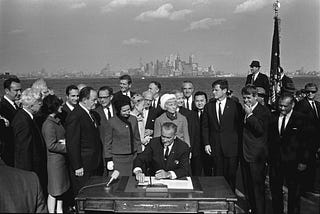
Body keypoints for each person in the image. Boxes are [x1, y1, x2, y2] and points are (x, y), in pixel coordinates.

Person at [268, 93, 308, 214]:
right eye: (280, 106)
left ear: (292, 105)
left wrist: (303, 161)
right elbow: (270, 139)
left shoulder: (301, 118)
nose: (282, 108)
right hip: (276, 162)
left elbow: (306, 142)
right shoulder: (273, 116)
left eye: (285, 106)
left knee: (294, 193)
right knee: (275, 191)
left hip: (294, 162)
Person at [201, 79, 241, 192]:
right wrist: (206, 143)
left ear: (224, 90)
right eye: (213, 90)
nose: (213, 92)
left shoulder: (235, 106)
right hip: (216, 147)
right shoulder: (209, 106)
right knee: (218, 178)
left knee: (231, 177)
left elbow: (239, 127)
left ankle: (231, 203)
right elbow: (205, 127)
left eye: (216, 90)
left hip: (231, 148)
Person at [65, 87, 103, 196]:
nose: (96, 102)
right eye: (94, 100)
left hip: (93, 163)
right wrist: (77, 166)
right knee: (84, 195)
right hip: (83, 166)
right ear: (85, 100)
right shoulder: (76, 116)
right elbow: (72, 143)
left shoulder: (89, 113)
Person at [12, 88, 47, 194]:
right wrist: (28, 177)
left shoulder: (27, 118)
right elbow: (23, 153)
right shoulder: (23, 121)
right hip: (30, 173)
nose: (41, 105)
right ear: (32, 105)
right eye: (40, 103)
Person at [240, 85, 269, 214]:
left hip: (256, 156)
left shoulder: (263, 111)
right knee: (249, 187)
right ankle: (252, 208)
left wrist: (250, 115)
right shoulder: (244, 110)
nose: (246, 101)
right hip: (245, 154)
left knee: (258, 189)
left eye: (248, 98)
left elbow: (260, 130)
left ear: (255, 97)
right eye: (244, 98)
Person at [41, 95, 70, 213]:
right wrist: (67, 147)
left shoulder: (54, 121)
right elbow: (51, 145)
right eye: (59, 104)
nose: (61, 106)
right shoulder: (49, 124)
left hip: (60, 161)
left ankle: (59, 210)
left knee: (60, 189)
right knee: (54, 191)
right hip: (55, 163)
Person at [104, 95, 142, 176]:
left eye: (128, 110)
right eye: (124, 111)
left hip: (133, 157)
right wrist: (108, 159)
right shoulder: (112, 122)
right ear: (118, 110)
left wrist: (139, 153)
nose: (127, 112)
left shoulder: (133, 119)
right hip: (118, 159)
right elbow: (107, 142)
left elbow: (137, 138)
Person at [294, 83, 320, 195]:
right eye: (308, 91)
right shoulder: (300, 105)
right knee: (303, 164)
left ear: (316, 92)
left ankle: (310, 186)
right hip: (305, 141)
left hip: (315, 141)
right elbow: (299, 124)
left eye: (313, 92)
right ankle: (302, 188)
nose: (310, 94)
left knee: (312, 165)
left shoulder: (318, 105)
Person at [174, 89, 202, 175]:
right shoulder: (164, 114)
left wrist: (190, 150)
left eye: (182, 98)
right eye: (178, 98)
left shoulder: (190, 114)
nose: (181, 100)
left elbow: (192, 134)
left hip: (185, 147)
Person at [0, 77, 22, 166]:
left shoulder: (15, 106)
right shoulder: (2, 107)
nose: (19, 93)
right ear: (7, 91)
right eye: (16, 91)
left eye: (20, 90)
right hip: (10, 152)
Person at [94, 86, 115, 173]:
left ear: (111, 97)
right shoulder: (95, 113)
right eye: (100, 98)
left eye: (105, 97)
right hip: (103, 153)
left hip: (119, 152)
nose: (102, 100)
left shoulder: (118, 109)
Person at [194, 91, 213, 176]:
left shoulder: (211, 113)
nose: (199, 103)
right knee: (196, 174)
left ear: (206, 101)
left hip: (209, 149)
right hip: (196, 150)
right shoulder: (191, 114)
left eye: (202, 101)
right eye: (197, 101)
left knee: (208, 173)